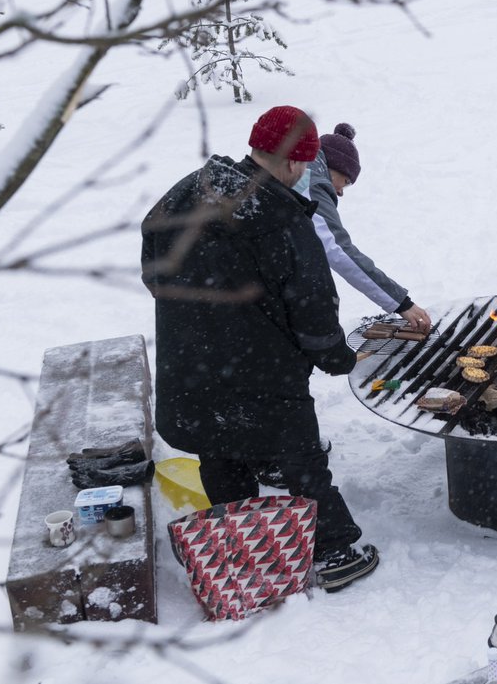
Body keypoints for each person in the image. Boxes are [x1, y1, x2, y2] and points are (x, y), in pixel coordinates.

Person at [141, 105, 379, 591]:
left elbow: (155, 262)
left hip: (190, 364)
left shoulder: (190, 190)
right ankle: (335, 549)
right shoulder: (282, 222)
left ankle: (239, 546)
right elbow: (314, 312)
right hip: (261, 371)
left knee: (219, 451)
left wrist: (198, 314)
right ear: (295, 164)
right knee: (301, 459)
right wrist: (339, 357)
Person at [305, 122, 432, 332]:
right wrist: (401, 302)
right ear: (334, 167)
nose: (341, 192)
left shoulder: (304, 171)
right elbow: (338, 250)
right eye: (346, 182)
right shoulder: (311, 184)